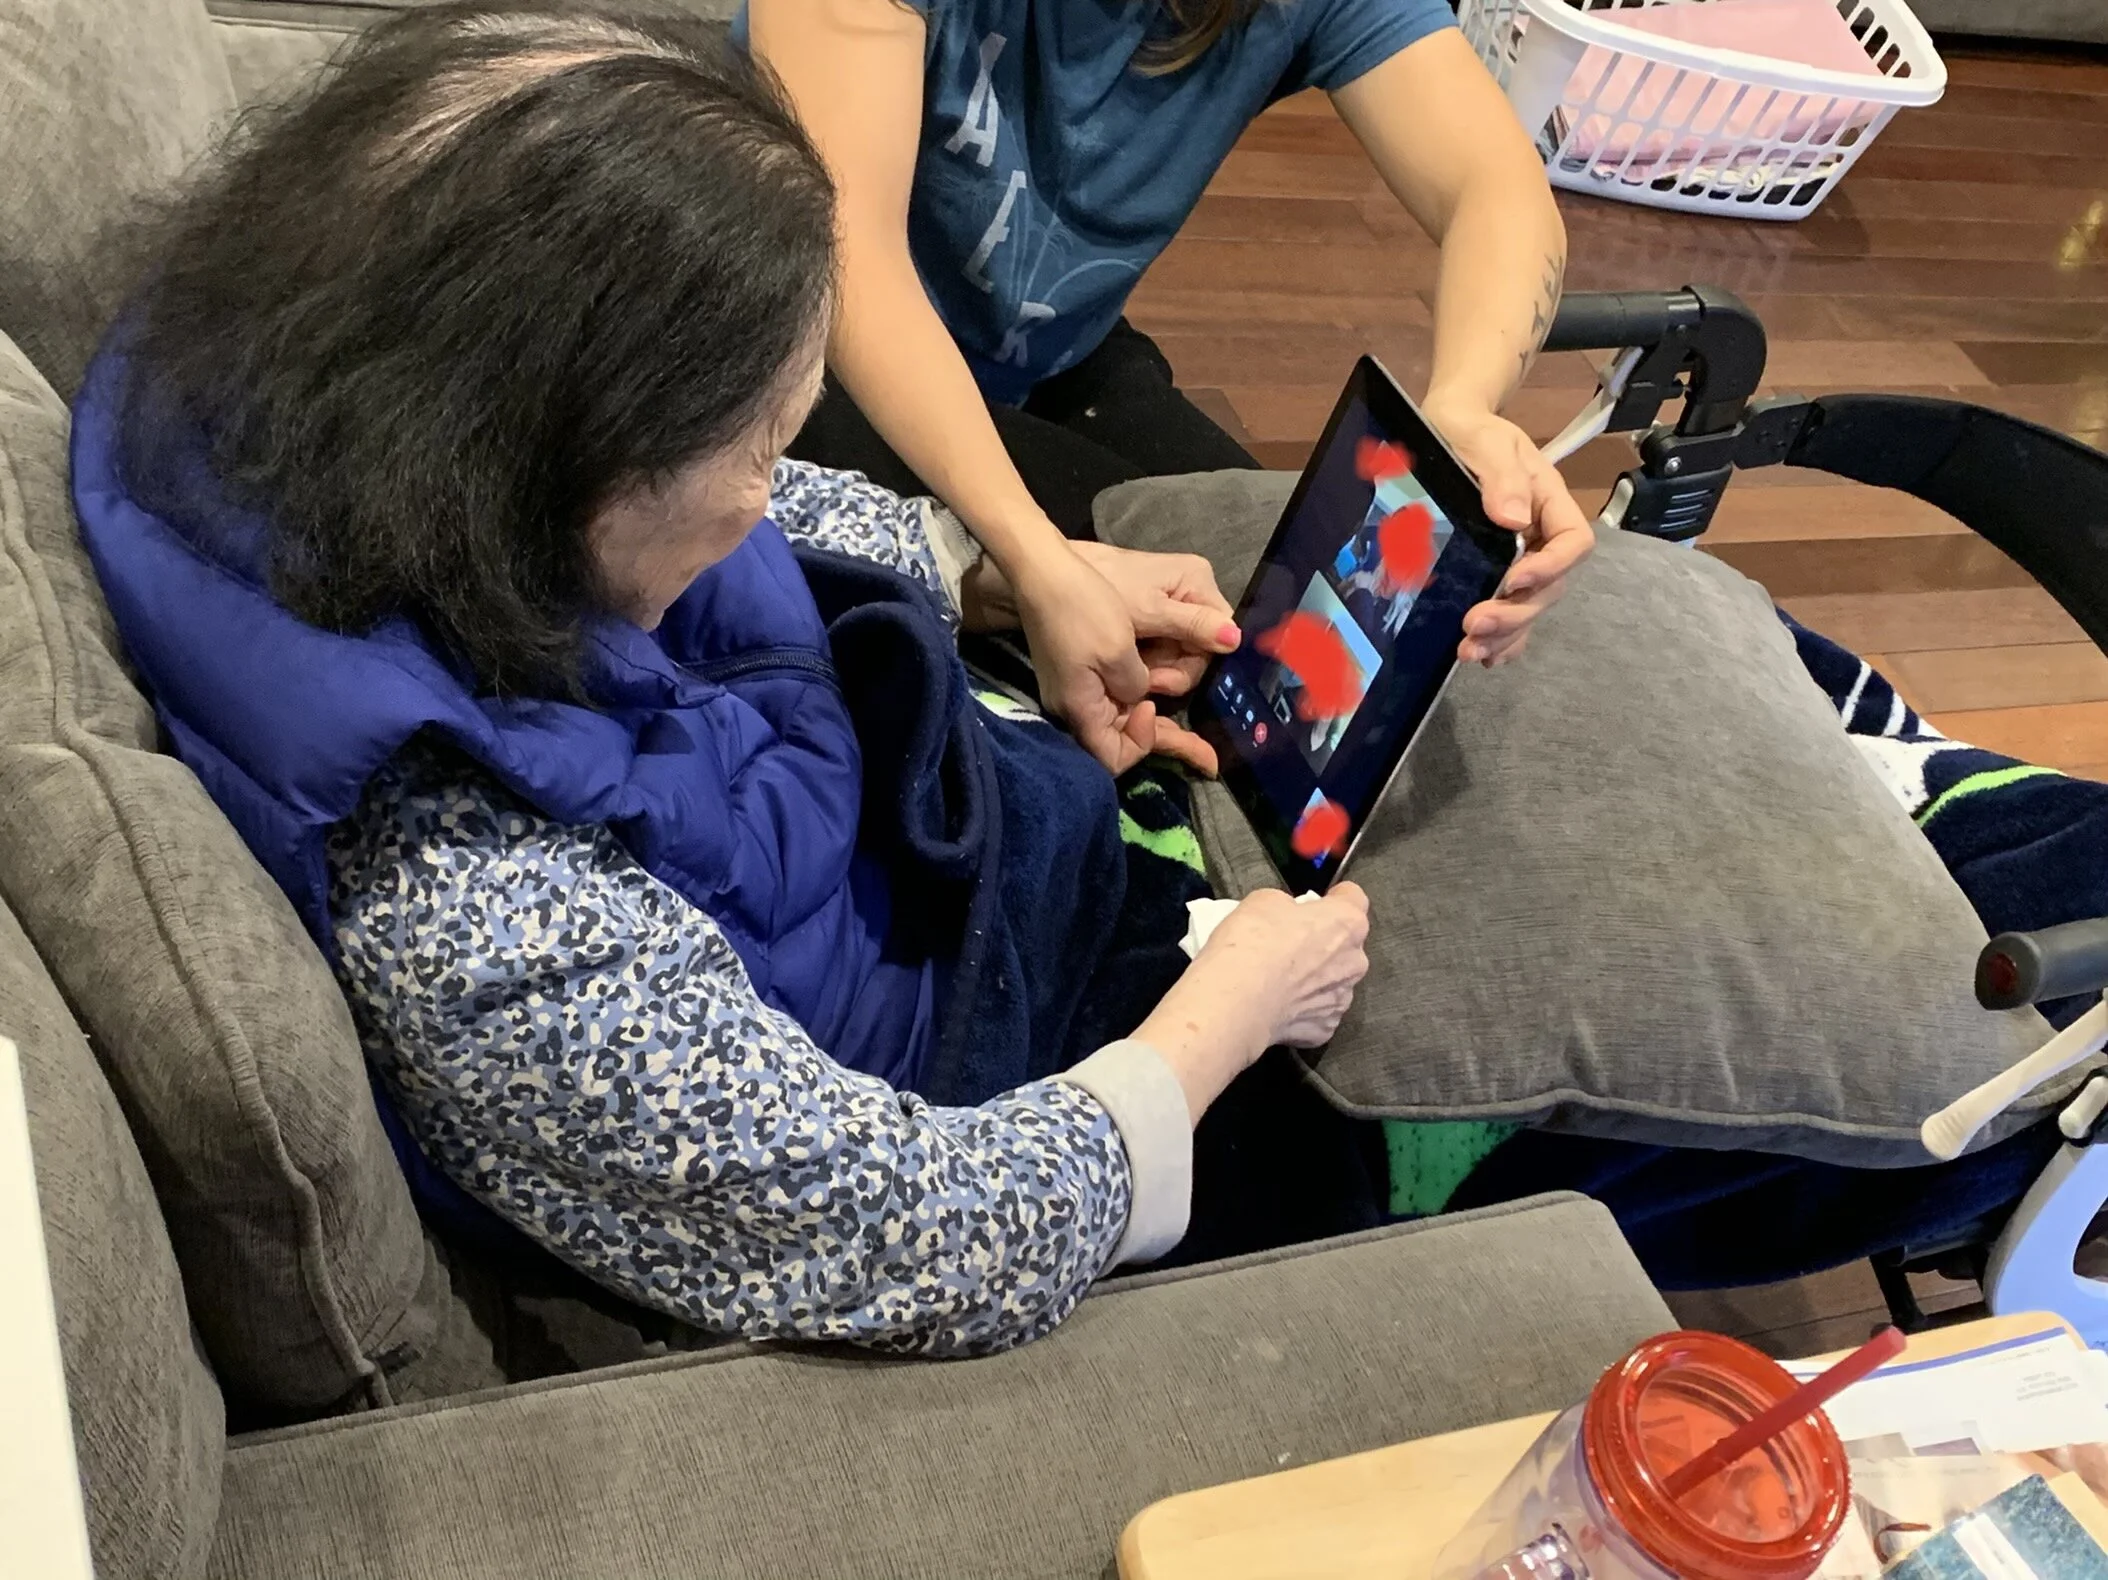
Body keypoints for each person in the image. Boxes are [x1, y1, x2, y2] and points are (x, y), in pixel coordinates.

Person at [75, 0, 1382, 1358]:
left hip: (864, 822)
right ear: (572, 465)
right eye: (758, 443)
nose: (772, 487)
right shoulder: (495, 942)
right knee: (1337, 1173)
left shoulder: (324, 394)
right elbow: (934, 1233)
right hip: (951, 1054)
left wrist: (1007, 572)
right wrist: (1233, 1013)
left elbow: (765, 526)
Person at [745, 0, 1597, 776]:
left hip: (1051, 353)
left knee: (1250, 595)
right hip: (784, 355)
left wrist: (1461, 406)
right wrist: (1036, 559)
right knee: (1136, 644)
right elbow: (848, 257)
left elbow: (1495, 188)